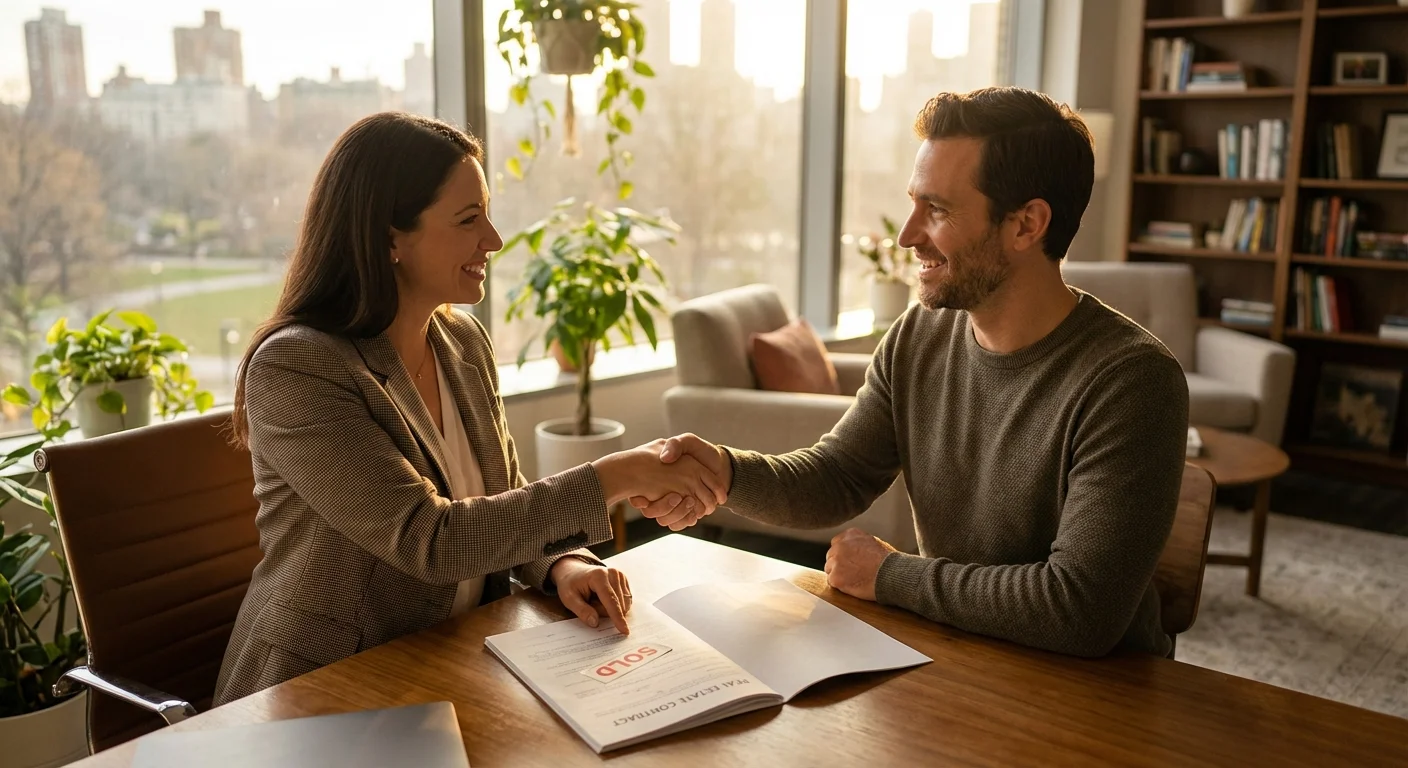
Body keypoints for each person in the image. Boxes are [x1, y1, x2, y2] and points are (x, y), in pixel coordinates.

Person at [634, 87, 1189, 658]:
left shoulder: (1133, 382)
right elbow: (838, 476)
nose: (906, 235)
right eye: (914, 203)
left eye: (939, 210)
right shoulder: (919, 336)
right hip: (962, 649)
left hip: (1100, 693)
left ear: (1027, 225)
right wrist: (724, 472)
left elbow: (1078, 610)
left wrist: (889, 575)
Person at [214, 113, 726, 704]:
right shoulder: (297, 367)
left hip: (448, 660)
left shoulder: (462, 343)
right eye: (467, 220)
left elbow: (503, 498)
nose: (494, 239)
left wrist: (564, 567)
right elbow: (427, 540)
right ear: (389, 239)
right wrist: (619, 474)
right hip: (325, 687)